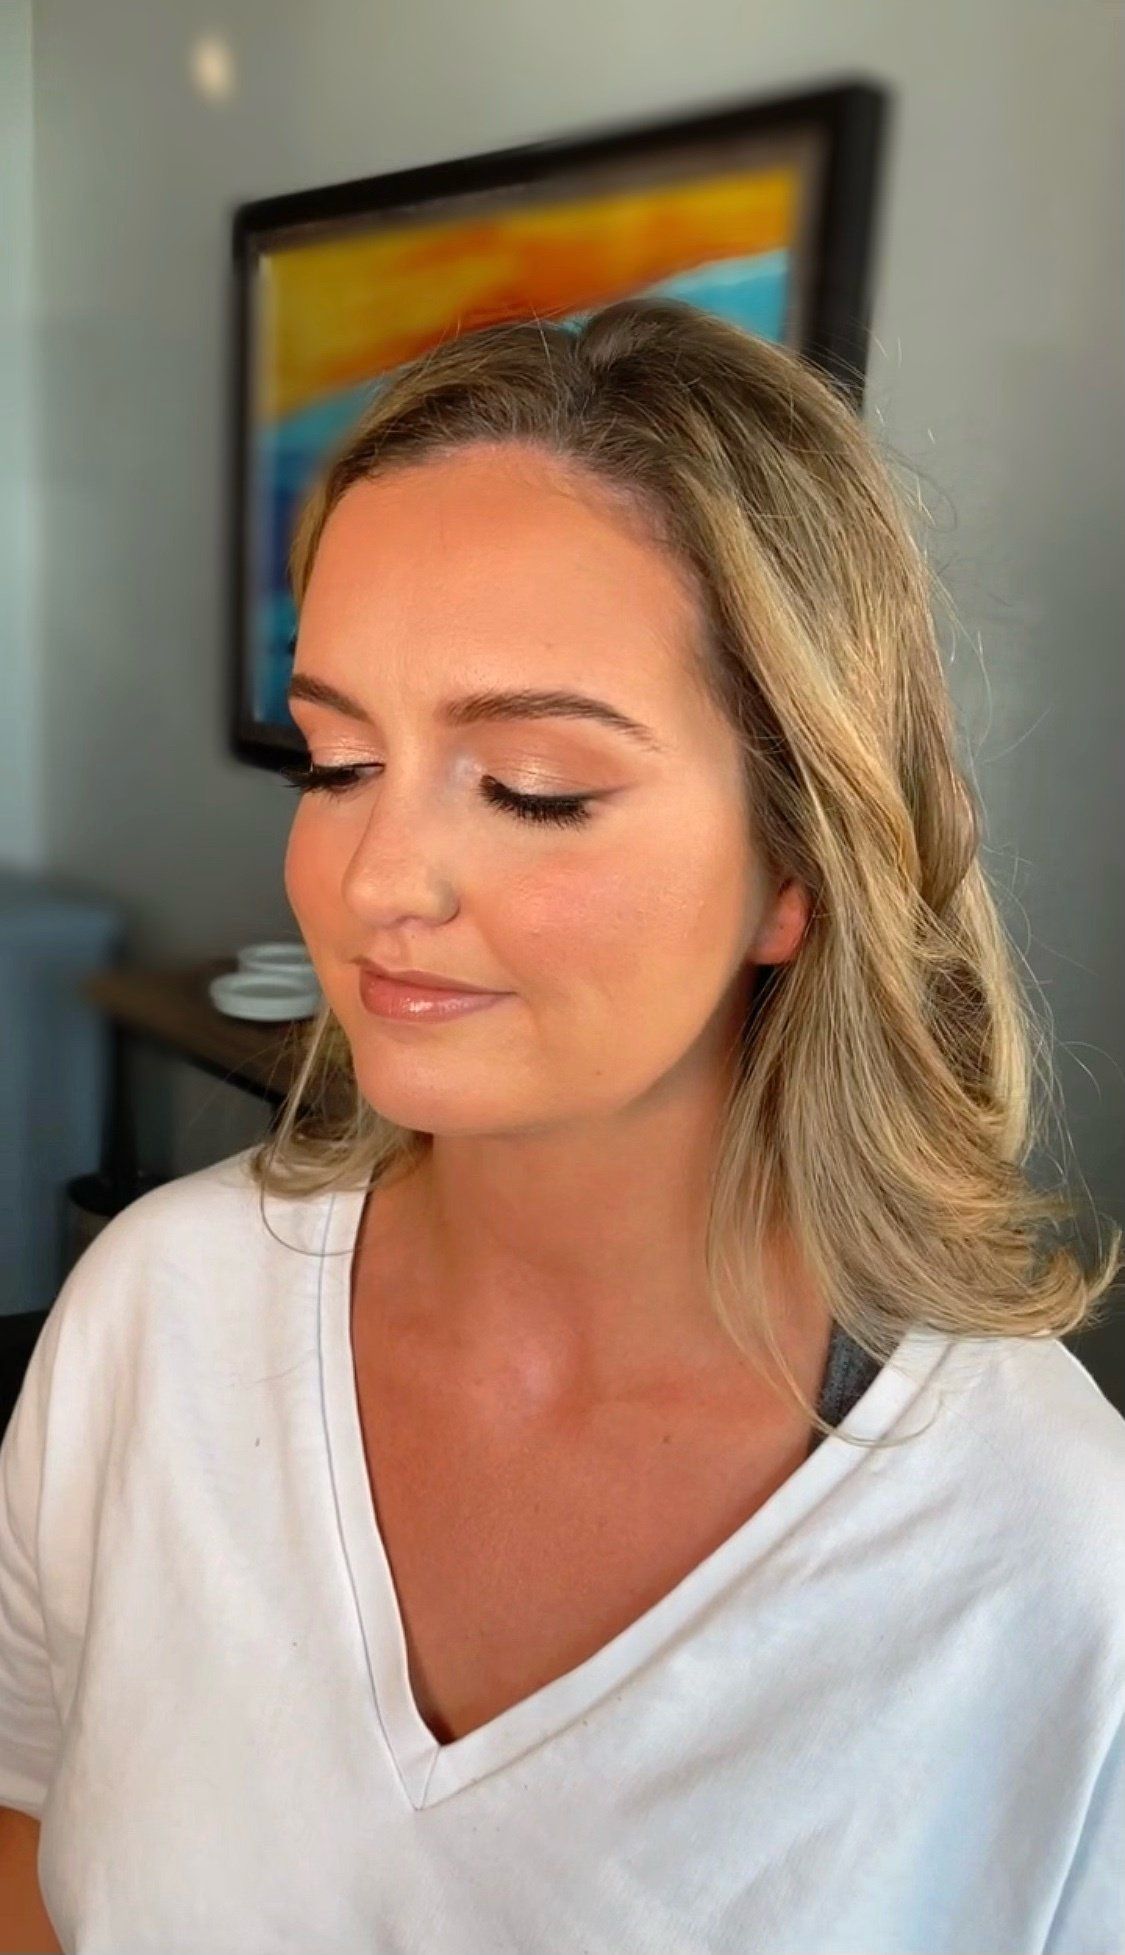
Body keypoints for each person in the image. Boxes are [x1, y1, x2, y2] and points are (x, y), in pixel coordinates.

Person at [1, 298, 1123, 1955]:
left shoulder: (1051, 1562)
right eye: (333, 763)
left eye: (531, 784)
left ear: (800, 869)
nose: (372, 881)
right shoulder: (153, 1313)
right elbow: (30, 1824)